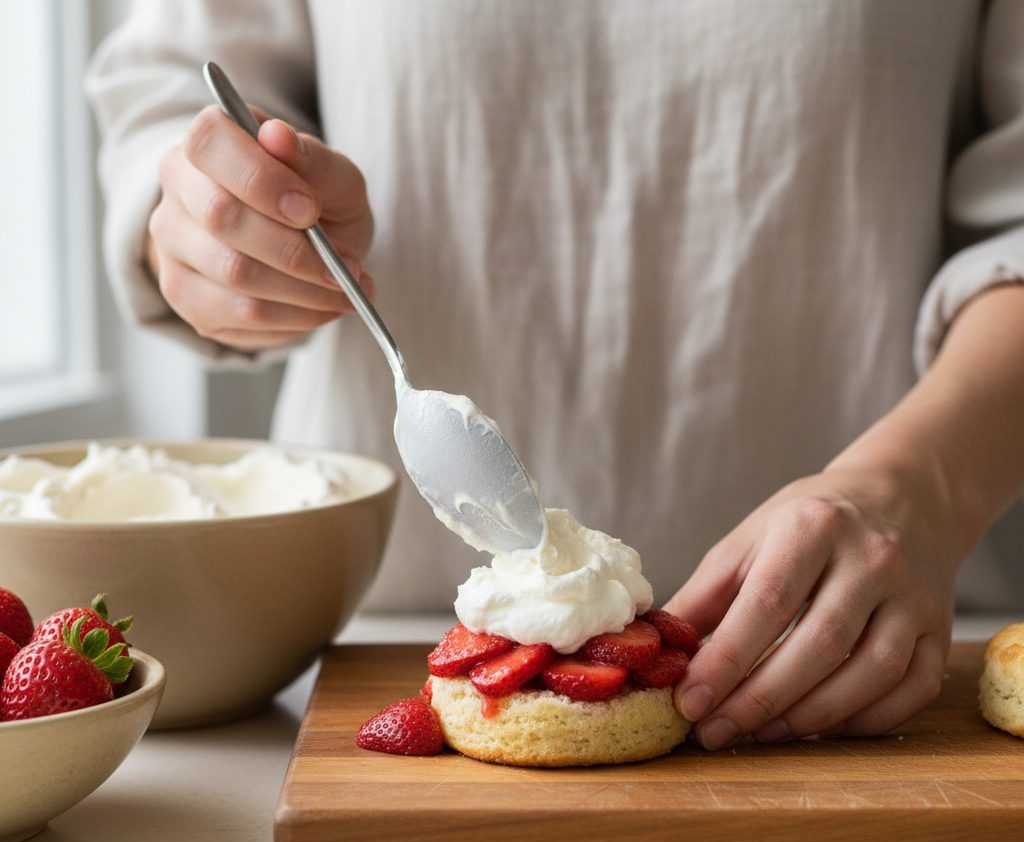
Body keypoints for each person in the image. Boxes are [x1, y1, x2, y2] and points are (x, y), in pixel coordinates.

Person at [87, 0, 1024, 749]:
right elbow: (170, 87)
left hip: (882, 639)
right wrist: (213, 223)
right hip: (362, 639)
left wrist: (924, 486)